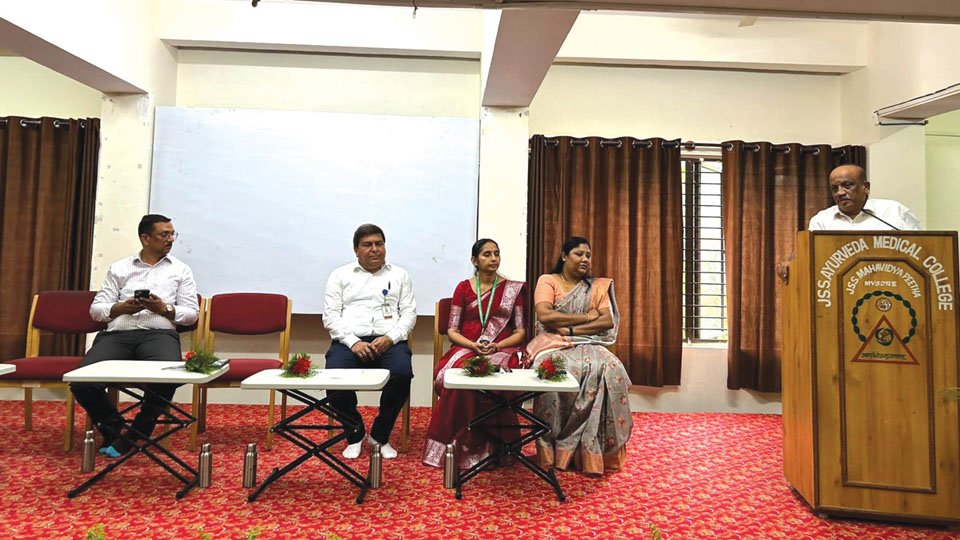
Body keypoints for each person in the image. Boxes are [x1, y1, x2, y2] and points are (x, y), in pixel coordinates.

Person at [70, 214, 199, 458]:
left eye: (173, 234)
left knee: (168, 378)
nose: (171, 239)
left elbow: (192, 314)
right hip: (118, 334)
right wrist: (121, 308)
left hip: (159, 334)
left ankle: (138, 430)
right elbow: (96, 310)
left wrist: (164, 308)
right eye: (165, 234)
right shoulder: (120, 268)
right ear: (145, 238)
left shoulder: (181, 270)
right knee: (81, 381)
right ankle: (115, 429)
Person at [526, 236, 632, 475]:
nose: (585, 259)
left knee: (612, 368)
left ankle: (595, 451)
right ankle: (550, 449)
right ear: (564, 256)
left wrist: (572, 330)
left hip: (588, 343)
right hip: (553, 343)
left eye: (588, 255)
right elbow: (545, 315)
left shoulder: (597, 287)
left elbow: (606, 321)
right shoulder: (548, 281)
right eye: (579, 254)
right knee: (551, 371)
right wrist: (586, 317)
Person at [422, 239, 526, 469]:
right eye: (487, 254)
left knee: (496, 377)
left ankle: (495, 448)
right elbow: (452, 331)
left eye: (496, 253)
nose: (493, 258)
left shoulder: (512, 289)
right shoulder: (463, 288)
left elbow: (520, 332)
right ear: (474, 260)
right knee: (461, 377)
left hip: (502, 349)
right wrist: (472, 345)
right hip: (467, 348)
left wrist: (497, 346)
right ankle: (460, 447)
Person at [323, 224, 416, 460]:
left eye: (379, 244)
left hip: (389, 341)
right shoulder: (340, 275)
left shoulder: (400, 275)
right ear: (356, 250)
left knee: (402, 374)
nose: (375, 249)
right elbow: (330, 316)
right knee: (333, 376)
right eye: (367, 245)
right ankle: (354, 433)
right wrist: (353, 342)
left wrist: (390, 338)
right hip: (349, 342)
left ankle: (379, 435)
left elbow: (409, 314)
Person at [808, 164, 921, 231]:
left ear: (866, 187)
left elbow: (922, 247)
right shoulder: (822, 220)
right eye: (834, 188)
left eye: (847, 185)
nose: (840, 193)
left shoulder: (894, 211)